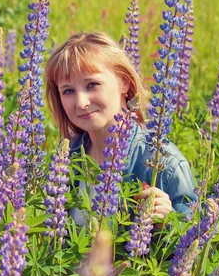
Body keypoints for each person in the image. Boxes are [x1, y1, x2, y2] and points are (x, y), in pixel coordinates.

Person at [44, 32, 196, 225]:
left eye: (92, 84)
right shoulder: (67, 157)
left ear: (124, 82)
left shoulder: (164, 163)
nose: (81, 102)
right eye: (68, 91)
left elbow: (194, 245)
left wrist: (170, 221)